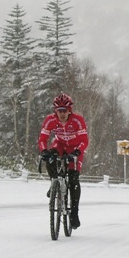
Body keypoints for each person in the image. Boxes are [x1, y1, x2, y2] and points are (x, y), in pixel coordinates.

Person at [38, 93, 89, 229]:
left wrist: (77, 152)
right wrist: (44, 151)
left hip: (75, 148)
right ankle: (54, 182)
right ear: (55, 111)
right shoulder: (50, 120)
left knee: (73, 180)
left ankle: (74, 213)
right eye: (59, 111)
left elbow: (84, 141)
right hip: (60, 144)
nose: (62, 114)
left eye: (64, 111)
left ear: (69, 110)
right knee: (50, 157)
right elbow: (43, 139)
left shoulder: (77, 120)